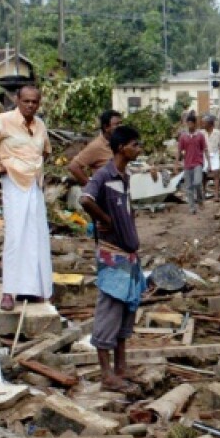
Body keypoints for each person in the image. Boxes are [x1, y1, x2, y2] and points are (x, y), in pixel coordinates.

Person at [0, 85, 54, 312]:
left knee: (36, 235)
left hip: (34, 184)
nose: (30, 105)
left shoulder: (40, 125)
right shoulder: (2, 120)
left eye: (34, 102)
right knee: (16, 236)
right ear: (17, 100)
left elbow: (46, 150)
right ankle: (9, 291)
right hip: (14, 183)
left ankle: (34, 288)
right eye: (26, 101)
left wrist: (33, 163)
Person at [80, 126, 145, 393]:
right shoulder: (103, 175)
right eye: (134, 144)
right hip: (112, 254)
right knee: (109, 311)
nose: (138, 149)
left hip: (127, 254)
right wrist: (105, 220)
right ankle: (107, 373)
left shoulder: (122, 177)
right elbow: (85, 199)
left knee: (125, 312)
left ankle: (121, 367)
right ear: (121, 148)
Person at [68, 109, 122, 186]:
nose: (121, 127)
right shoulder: (97, 146)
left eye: (121, 123)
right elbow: (73, 166)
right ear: (106, 127)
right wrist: (90, 187)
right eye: (117, 124)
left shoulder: (120, 143)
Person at [177, 113, 207, 214]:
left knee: (197, 183)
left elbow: (204, 149)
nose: (189, 125)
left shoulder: (200, 136)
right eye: (188, 123)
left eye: (191, 123)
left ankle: (200, 199)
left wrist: (209, 163)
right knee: (189, 187)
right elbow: (179, 150)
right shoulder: (183, 137)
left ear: (195, 124)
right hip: (187, 164)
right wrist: (176, 163)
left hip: (198, 163)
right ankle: (192, 207)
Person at [203, 115, 220, 198]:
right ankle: (203, 192)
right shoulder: (202, 133)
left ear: (210, 124)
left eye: (205, 123)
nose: (203, 125)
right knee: (203, 175)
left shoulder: (218, 133)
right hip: (205, 155)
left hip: (215, 154)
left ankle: (216, 194)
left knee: (216, 175)